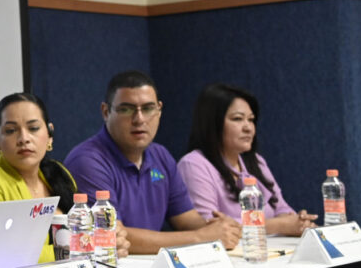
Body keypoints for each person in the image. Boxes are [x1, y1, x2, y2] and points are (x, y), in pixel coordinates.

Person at [64, 71, 240, 254]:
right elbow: (113, 236)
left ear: (159, 110)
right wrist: (202, 238)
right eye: (126, 109)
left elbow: (186, 219)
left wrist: (220, 227)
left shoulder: (161, 155)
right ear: (106, 112)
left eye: (148, 108)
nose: (139, 119)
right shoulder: (87, 161)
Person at [0, 92, 129, 263]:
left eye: (33, 128)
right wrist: (85, 247)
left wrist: (108, 238)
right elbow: (1, 254)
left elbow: (85, 234)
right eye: (11, 130)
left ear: (50, 135)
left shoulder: (58, 174)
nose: (23, 138)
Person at [178, 83, 316, 236]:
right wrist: (279, 226)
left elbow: (281, 208)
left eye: (251, 120)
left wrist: (298, 222)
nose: (248, 128)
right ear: (213, 123)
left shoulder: (256, 162)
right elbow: (209, 227)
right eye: (238, 119)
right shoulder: (194, 164)